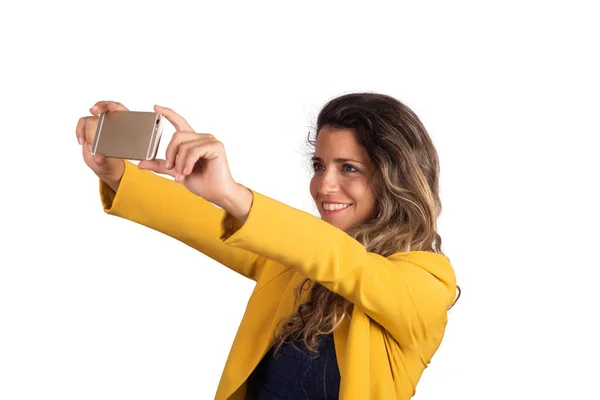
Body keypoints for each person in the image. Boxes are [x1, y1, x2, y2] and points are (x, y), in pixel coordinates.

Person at [75, 93, 460, 400]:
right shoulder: (296, 261)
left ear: (396, 176)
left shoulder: (426, 283)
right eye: (319, 165)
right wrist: (116, 173)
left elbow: (346, 265)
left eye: (349, 168)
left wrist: (232, 192)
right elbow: (208, 224)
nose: (324, 186)